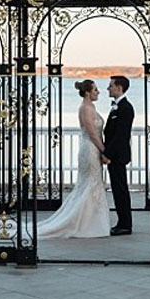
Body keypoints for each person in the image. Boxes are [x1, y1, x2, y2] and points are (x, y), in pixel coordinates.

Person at [37, 79, 110, 239]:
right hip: (90, 148)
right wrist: (105, 151)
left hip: (94, 148)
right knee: (89, 183)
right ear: (88, 92)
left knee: (94, 183)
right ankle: (81, 222)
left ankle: (91, 220)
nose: (98, 92)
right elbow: (92, 133)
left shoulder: (91, 106)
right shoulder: (85, 108)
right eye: (96, 90)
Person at [103, 75, 134, 236]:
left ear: (119, 88)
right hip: (114, 155)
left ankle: (125, 224)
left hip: (117, 156)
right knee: (117, 189)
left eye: (111, 86)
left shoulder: (125, 108)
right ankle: (123, 222)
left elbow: (120, 136)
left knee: (120, 190)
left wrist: (107, 154)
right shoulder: (118, 106)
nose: (108, 89)